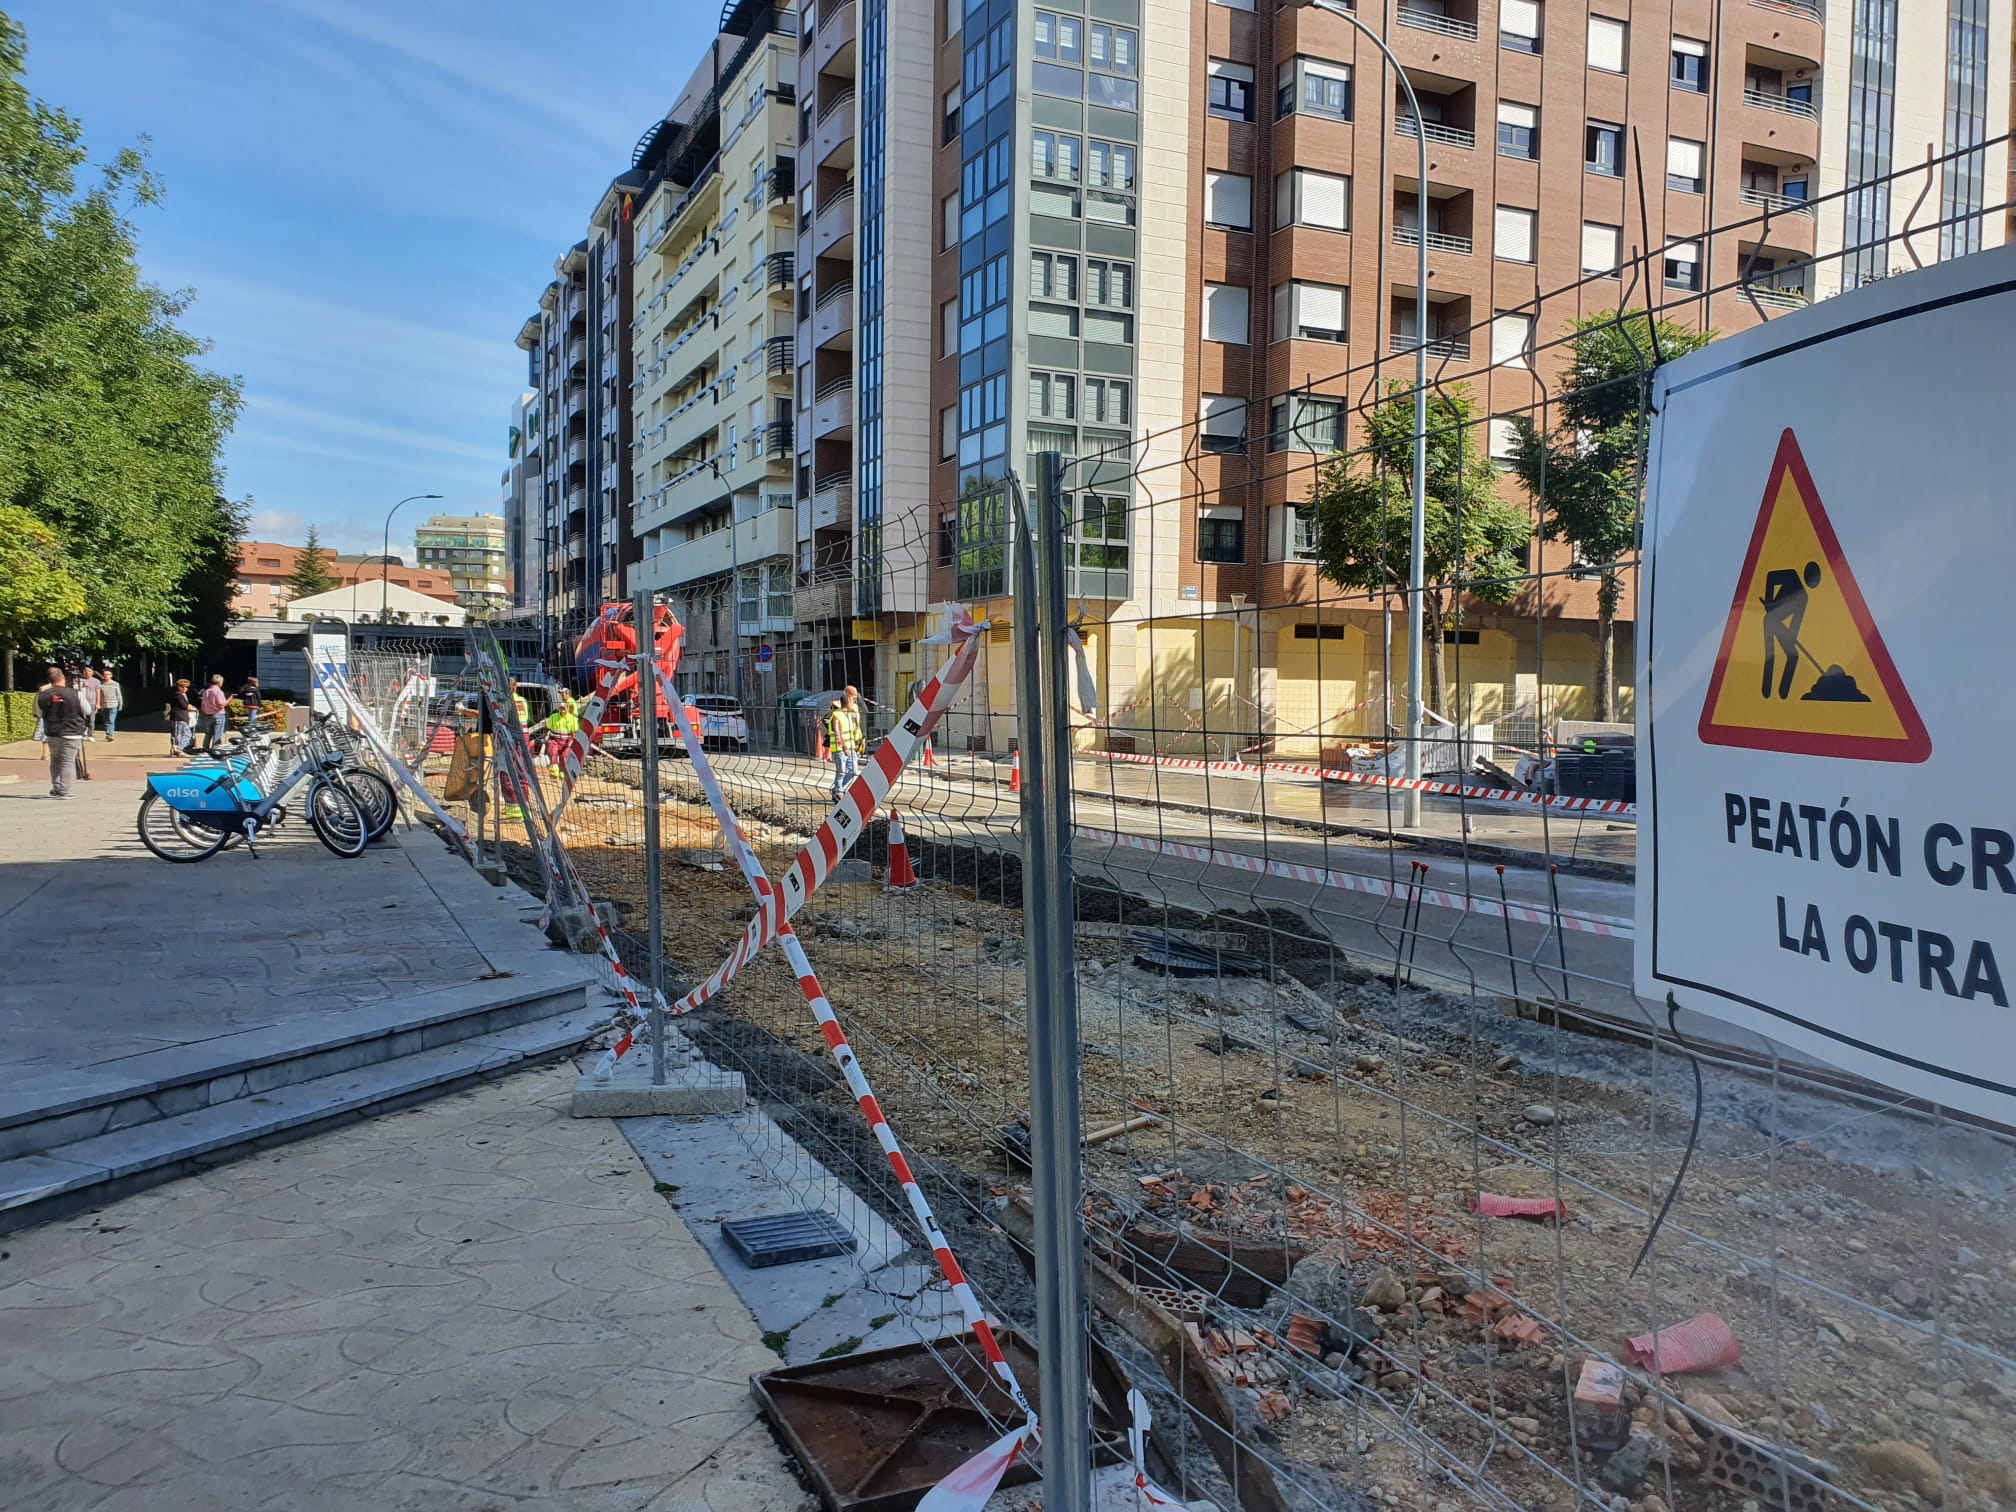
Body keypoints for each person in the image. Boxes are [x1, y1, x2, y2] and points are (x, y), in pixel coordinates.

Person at [35, 666, 91, 798]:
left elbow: (39, 713)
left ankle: (56, 787)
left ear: (49, 680)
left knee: (55, 759)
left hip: (52, 731)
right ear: (63, 677)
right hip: (72, 731)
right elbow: (87, 710)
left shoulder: (42, 695)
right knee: (68, 761)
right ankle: (64, 790)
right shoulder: (75, 693)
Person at [822, 685, 865, 802]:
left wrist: (861, 738)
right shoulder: (837, 711)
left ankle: (837, 789)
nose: (854, 700)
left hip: (852, 746)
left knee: (853, 771)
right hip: (840, 748)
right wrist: (844, 747)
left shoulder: (853, 710)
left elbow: (856, 726)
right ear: (847, 696)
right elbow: (837, 732)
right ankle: (838, 792)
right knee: (841, 771)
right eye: (853, 697)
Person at [199, 675, 229, 750]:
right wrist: (231, 698)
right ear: (220, 682)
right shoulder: (218, 692)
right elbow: (221, 705)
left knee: (208, 734)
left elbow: (202, 706)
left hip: (208, 715)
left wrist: (206, 712)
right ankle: (215, 749)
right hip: (219, 715)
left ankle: (205, 749)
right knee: (217, 734)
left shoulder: (206, 691)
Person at [166, 678, 194, 754]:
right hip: (178, 717)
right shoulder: (178, 695)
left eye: (186, 687)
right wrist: (189, 706)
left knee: (186, 734)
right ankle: (178, 749)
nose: (184, 688)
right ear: (178, 686)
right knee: (179, 735)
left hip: (183, 717)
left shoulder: (183, 695)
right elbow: (184, 705)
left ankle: (178, 749)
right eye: (182, 686)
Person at [96, 668, 123, 740]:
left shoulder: (115, 684)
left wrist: (120, 704)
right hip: (103, 705)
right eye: (104, 674)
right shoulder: (100, 684)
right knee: (106, 721)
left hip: (113, 705)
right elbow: (98, 695)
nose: (106, 676)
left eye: (107, 674)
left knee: (111, 720)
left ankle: (109, 735)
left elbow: (119, 695)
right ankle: (107, 733)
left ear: (111, 675)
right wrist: (98, 704)